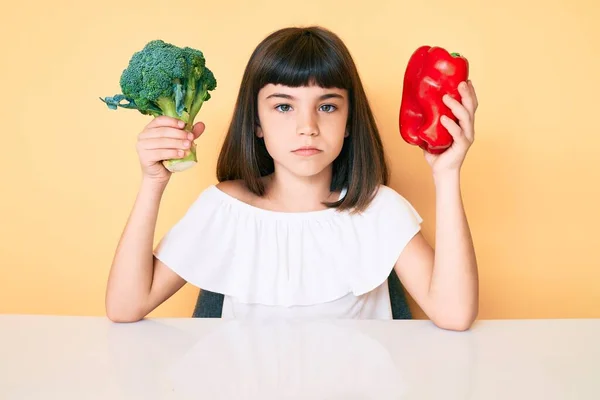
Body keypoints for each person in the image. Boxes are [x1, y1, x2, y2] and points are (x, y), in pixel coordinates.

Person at [105, 26, 479, 331]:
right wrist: (153, 182)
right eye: (284, 106)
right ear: (256, 123)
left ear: (349, 122)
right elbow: (125, 306)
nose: (307, 127)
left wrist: (446, 174)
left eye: (327, 106)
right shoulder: (225, 209)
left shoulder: (378, 208)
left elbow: (455, 314)